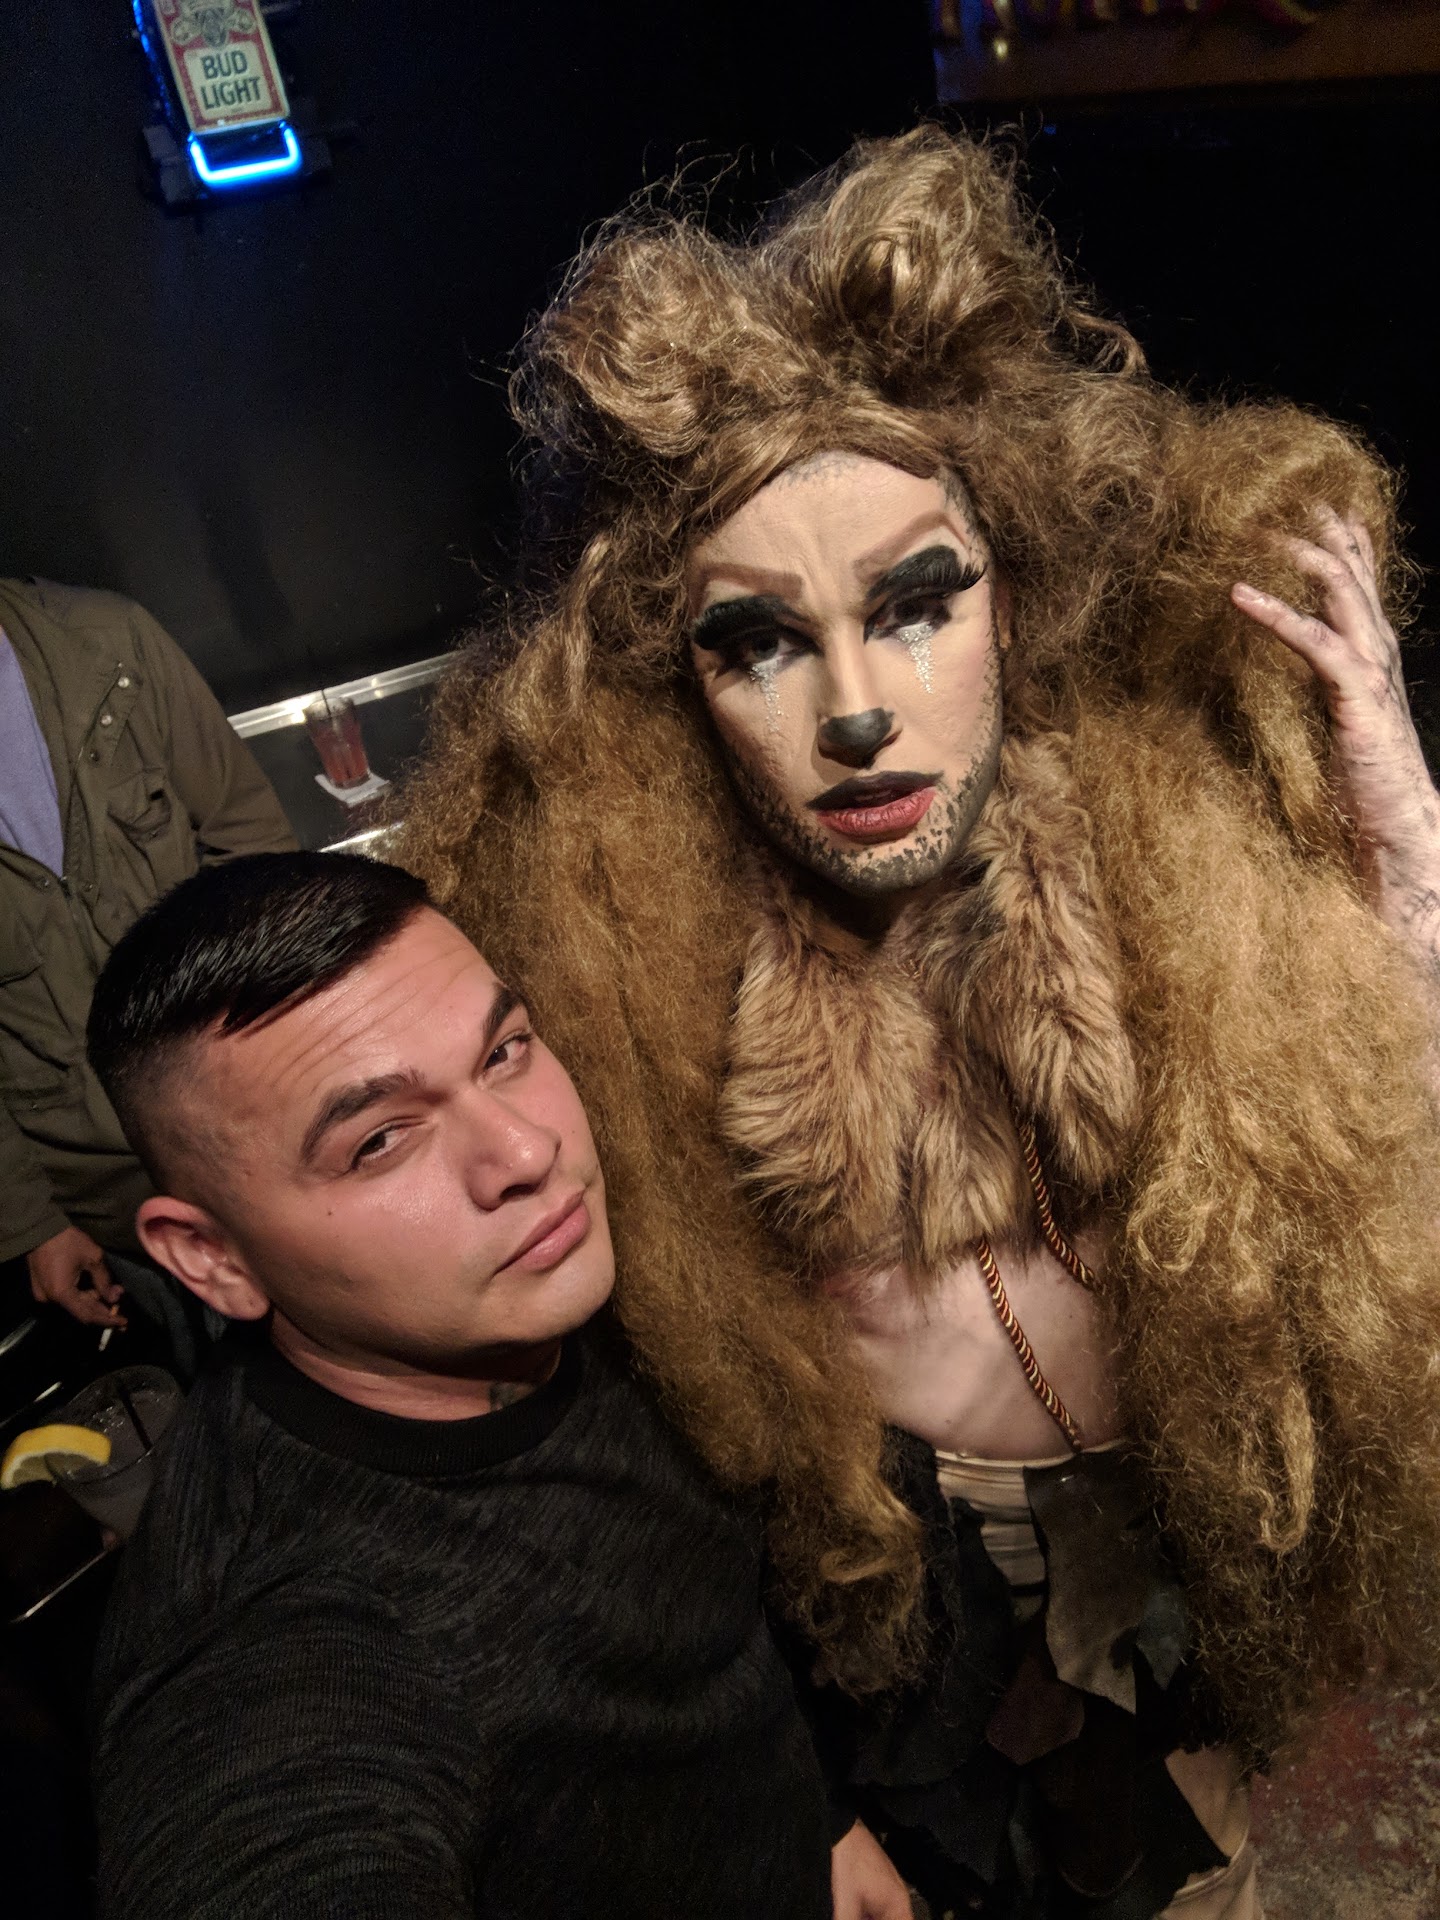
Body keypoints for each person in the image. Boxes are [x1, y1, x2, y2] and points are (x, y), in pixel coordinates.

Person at [397, 129, 1440, 1916]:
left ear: (1013, 594)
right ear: (678, 687)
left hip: (1277, 1649)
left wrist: (1406, 883)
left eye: (914, 602)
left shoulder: (1194, 879)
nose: (859, 711)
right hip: (944, 1731)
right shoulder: (627, 1019)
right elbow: (604, 1506)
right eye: (759, 641)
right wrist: (793, 1803)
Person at [84, 850, 910, 1920]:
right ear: (213, 1259)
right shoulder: (299, 1646)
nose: (526, 1150)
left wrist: (824, 1819)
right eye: (380, 1141)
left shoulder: (568, 1278)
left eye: (505, 1051)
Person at [0, 575, 296, 1362]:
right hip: (104, 1197)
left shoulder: (110, 641)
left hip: (251, 1125)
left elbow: (251, 837)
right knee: (214, 1384)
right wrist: (31, 1222)